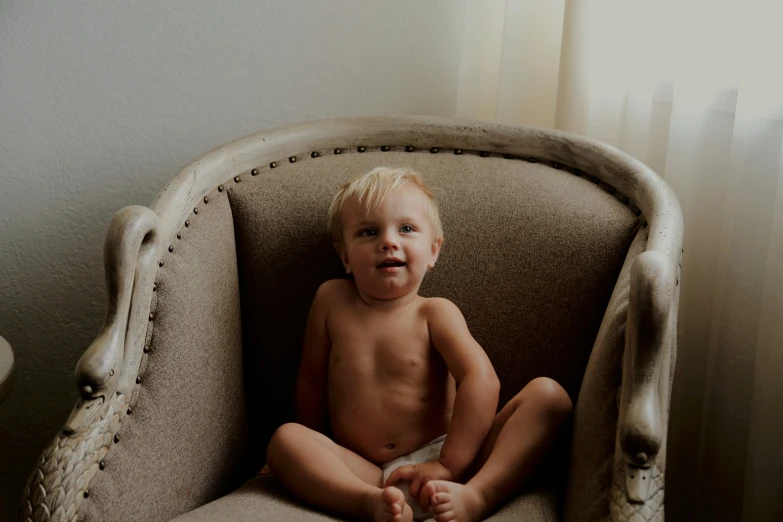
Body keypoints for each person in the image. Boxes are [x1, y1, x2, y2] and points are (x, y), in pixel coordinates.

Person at [263, 167, 572, 522]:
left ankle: (479, 495)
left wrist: (448, 464)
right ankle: (368, 504)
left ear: (433, 250)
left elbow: (481, 380)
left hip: (449, 457)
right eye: (368, 232)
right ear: (345, 255)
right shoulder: (330, 301)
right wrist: (314, 447)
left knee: (549, 397)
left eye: (406, 229)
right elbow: (312, 380)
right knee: (285, 440)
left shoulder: (435, 313)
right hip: (367, 472)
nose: (388, 242)